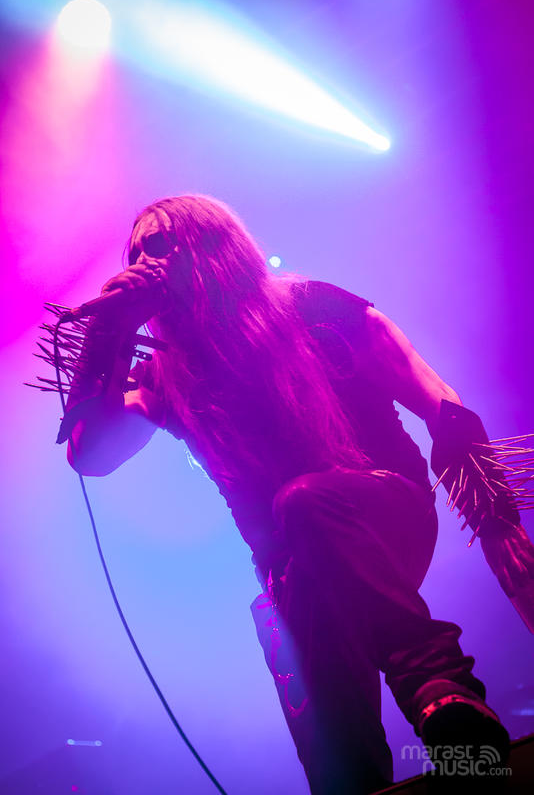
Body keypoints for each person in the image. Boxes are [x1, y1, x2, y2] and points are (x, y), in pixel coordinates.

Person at [61, 194, 533, 794]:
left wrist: (497, 522)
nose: (141, 265)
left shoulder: (317, 309)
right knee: (334, 748)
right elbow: (90, 455)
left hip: (384, 513)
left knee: (304, 503)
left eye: (156, 245)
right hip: (292, 570)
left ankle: (438, 684)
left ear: (210, 245)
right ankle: (470, 763)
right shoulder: (162, 374)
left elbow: (439, 402)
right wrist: (109, 334)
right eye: (131, 256)